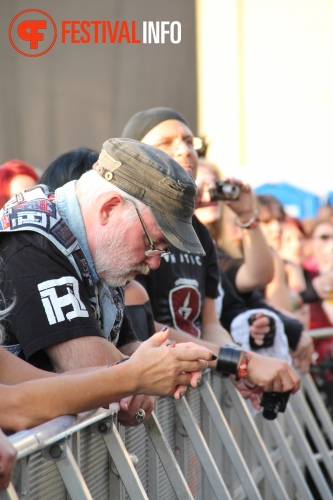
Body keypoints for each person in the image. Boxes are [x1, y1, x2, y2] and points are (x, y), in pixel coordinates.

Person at [0, 137, 211, 427]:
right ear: (109, 208)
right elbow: (91, 364)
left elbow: (123, 349)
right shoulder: (32, 239)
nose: (154, 262)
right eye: (153, 243)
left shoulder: (99, 250)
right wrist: (139, 375)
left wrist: (167, 361)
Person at [121, 106, 300, 402]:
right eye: (165, 143)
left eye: (189, 141)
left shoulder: (198, 232)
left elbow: (210, 324)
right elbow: (138, 324)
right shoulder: (129, 225)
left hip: (192, 383)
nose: (184, 150)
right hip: (148, 390)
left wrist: (237, 365)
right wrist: (241, 362)